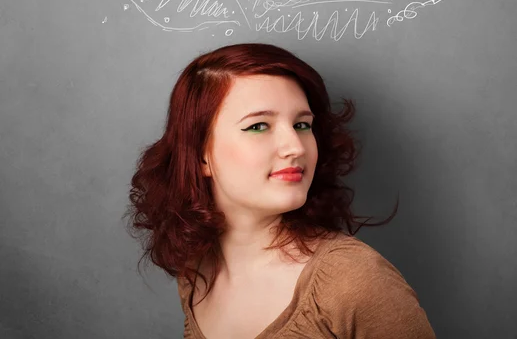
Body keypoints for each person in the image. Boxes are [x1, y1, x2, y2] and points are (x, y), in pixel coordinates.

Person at [124, 42, 436, 338]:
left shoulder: (355, 280)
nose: (294, 147)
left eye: (302, 125)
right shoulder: (196, 271)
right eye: (258, 126)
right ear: (200, 155)